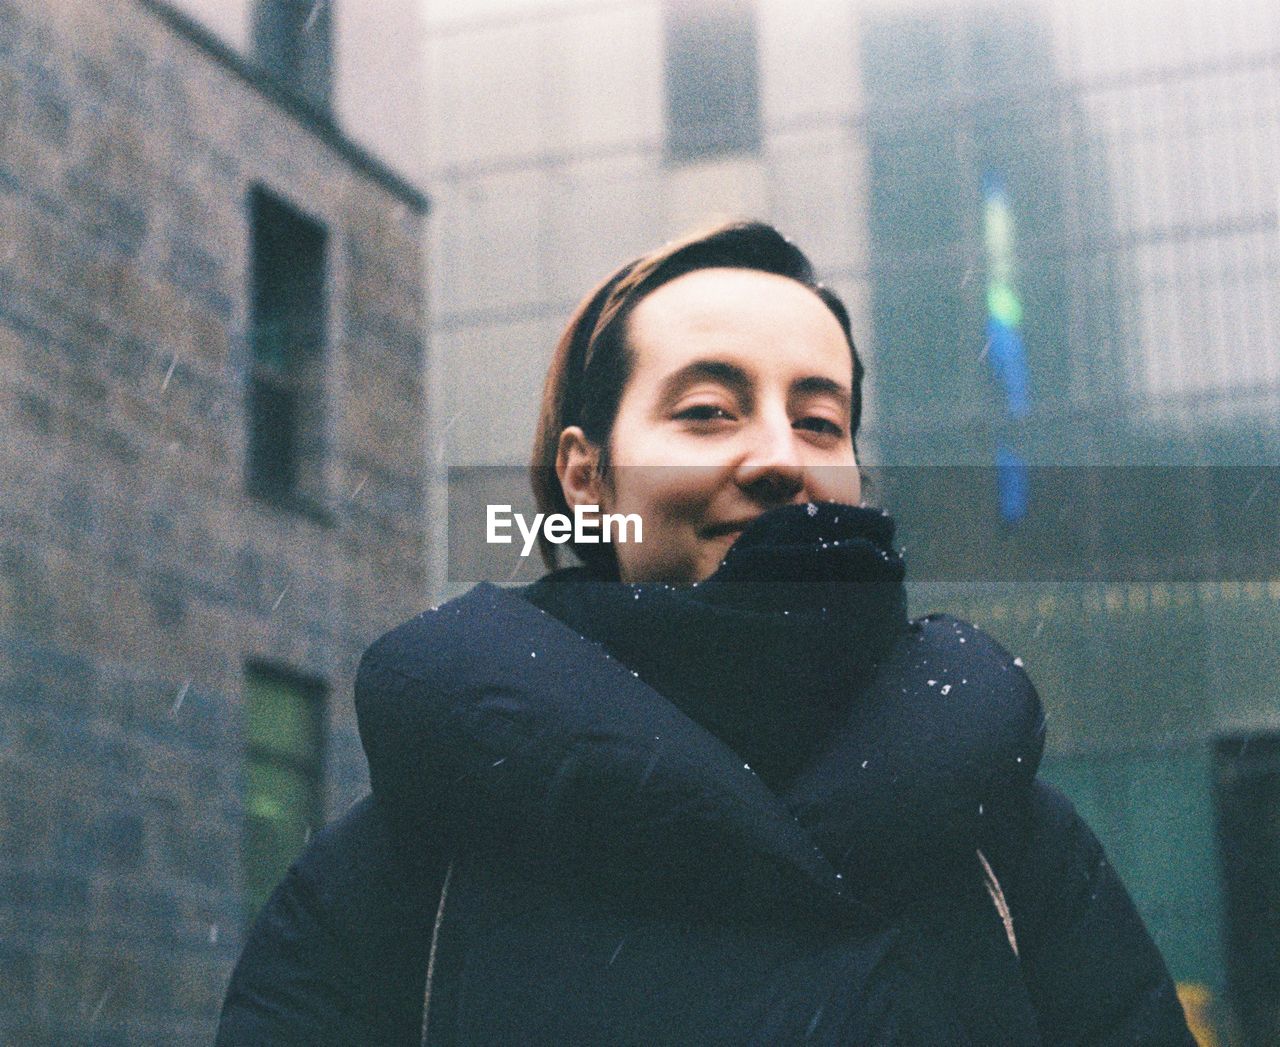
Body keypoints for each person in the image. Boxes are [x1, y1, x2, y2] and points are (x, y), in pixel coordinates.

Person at [217, 222, 1194, 1045]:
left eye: (818, 422)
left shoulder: (1011, 854)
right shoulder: (405, 874)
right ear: (584, 477)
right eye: (706, 411)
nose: (777, 456)